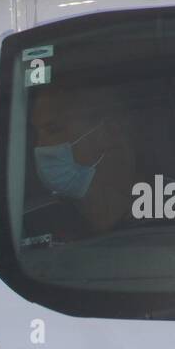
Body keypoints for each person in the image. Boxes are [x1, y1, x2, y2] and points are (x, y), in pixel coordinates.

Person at [28, 86, 139, 241]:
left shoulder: (173, 206)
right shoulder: (37, 225)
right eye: (37, 133)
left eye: (53, 130)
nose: (40, 146)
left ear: (109, 130)